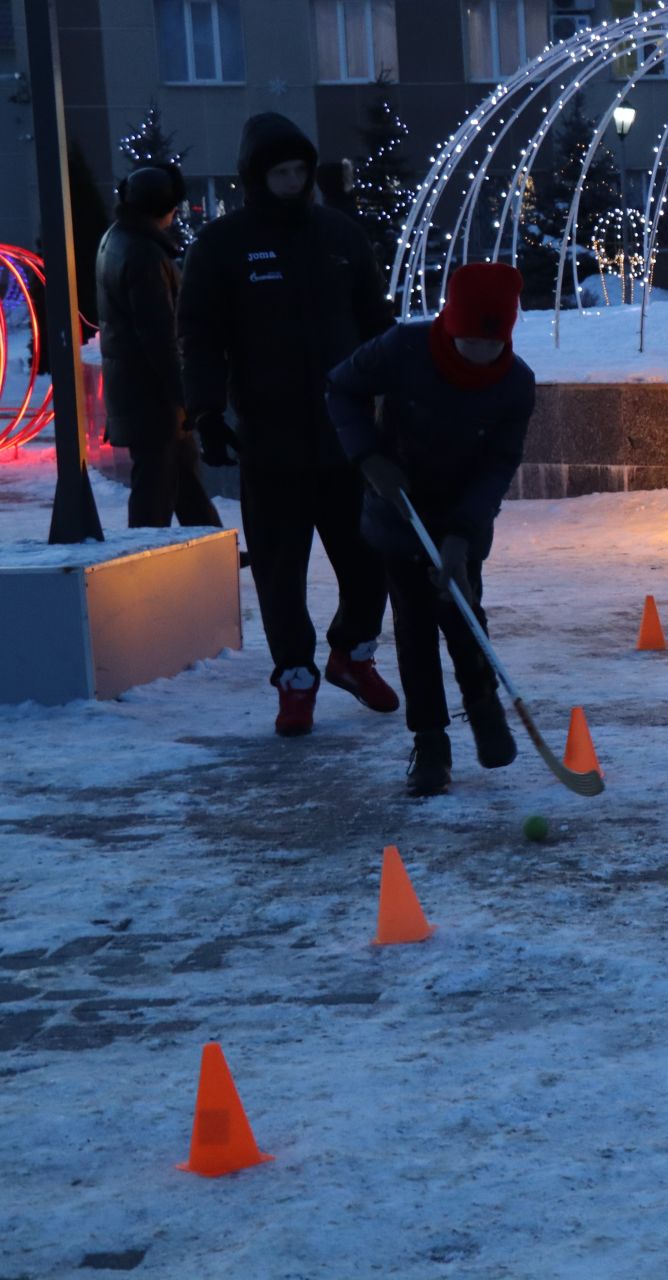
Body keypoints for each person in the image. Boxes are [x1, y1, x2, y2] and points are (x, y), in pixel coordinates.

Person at [178, 112, 397, 737]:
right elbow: (199, 335)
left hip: (345, 437)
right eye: (280, 171)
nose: (292, 181)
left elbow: (376, 325)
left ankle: (353, 656)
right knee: (280, 572)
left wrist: (398, 395)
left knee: (368, 561)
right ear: (256, 175)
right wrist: (206, 411)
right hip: (269, 440)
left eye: (300, 170)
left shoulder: (341, 237)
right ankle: (295, 678)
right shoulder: (223, 246)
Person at [327, 263, 534, 798]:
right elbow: (341, 389)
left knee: (464, 614)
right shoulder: (403, 348)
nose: (480, 354)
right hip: (399, 509)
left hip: (462, 515)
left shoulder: (515, 384)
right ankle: (430, 742)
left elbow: (499, 465)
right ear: (449, 322)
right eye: (469, 340)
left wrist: (462, 538)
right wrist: (370, 458)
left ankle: (485, 709)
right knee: (416, 628)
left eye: (493, 344)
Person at [96, 163, 221, 529]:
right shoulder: (145, 255)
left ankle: (210, 545)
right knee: (156, 486)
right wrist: (186, 395)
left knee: (182, 475)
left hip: (139, 391)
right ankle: (144, 557)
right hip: (152, 398)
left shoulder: (117, 239)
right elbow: (159, 334)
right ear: (167, 208)